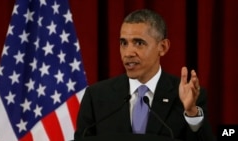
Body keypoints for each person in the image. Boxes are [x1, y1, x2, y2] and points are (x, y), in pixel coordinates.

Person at [74, 9, 214, 141]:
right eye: (124, 43)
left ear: (163, 47)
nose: (128, 53)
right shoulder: (97, 96)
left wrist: (191, 113)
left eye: (139, 43)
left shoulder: (187, 97)